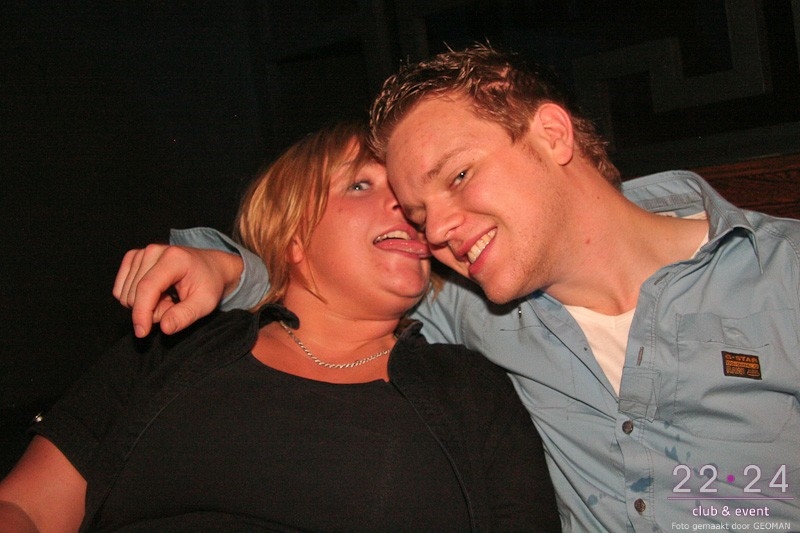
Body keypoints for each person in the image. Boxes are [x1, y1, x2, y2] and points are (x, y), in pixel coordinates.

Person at [111, 45, 800, 532]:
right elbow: (329, 285)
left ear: (551, 135)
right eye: (418, 214)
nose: (435, 230)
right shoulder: (472, 305)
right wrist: (227, 267)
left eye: (459, 176)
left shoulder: (782, 274)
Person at [0, 121, 560, 532]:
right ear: (293, 236)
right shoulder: (172, 346)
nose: (407, 209)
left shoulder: (471, 389)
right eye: (360, 186)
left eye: (409, 199)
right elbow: (26, 507)